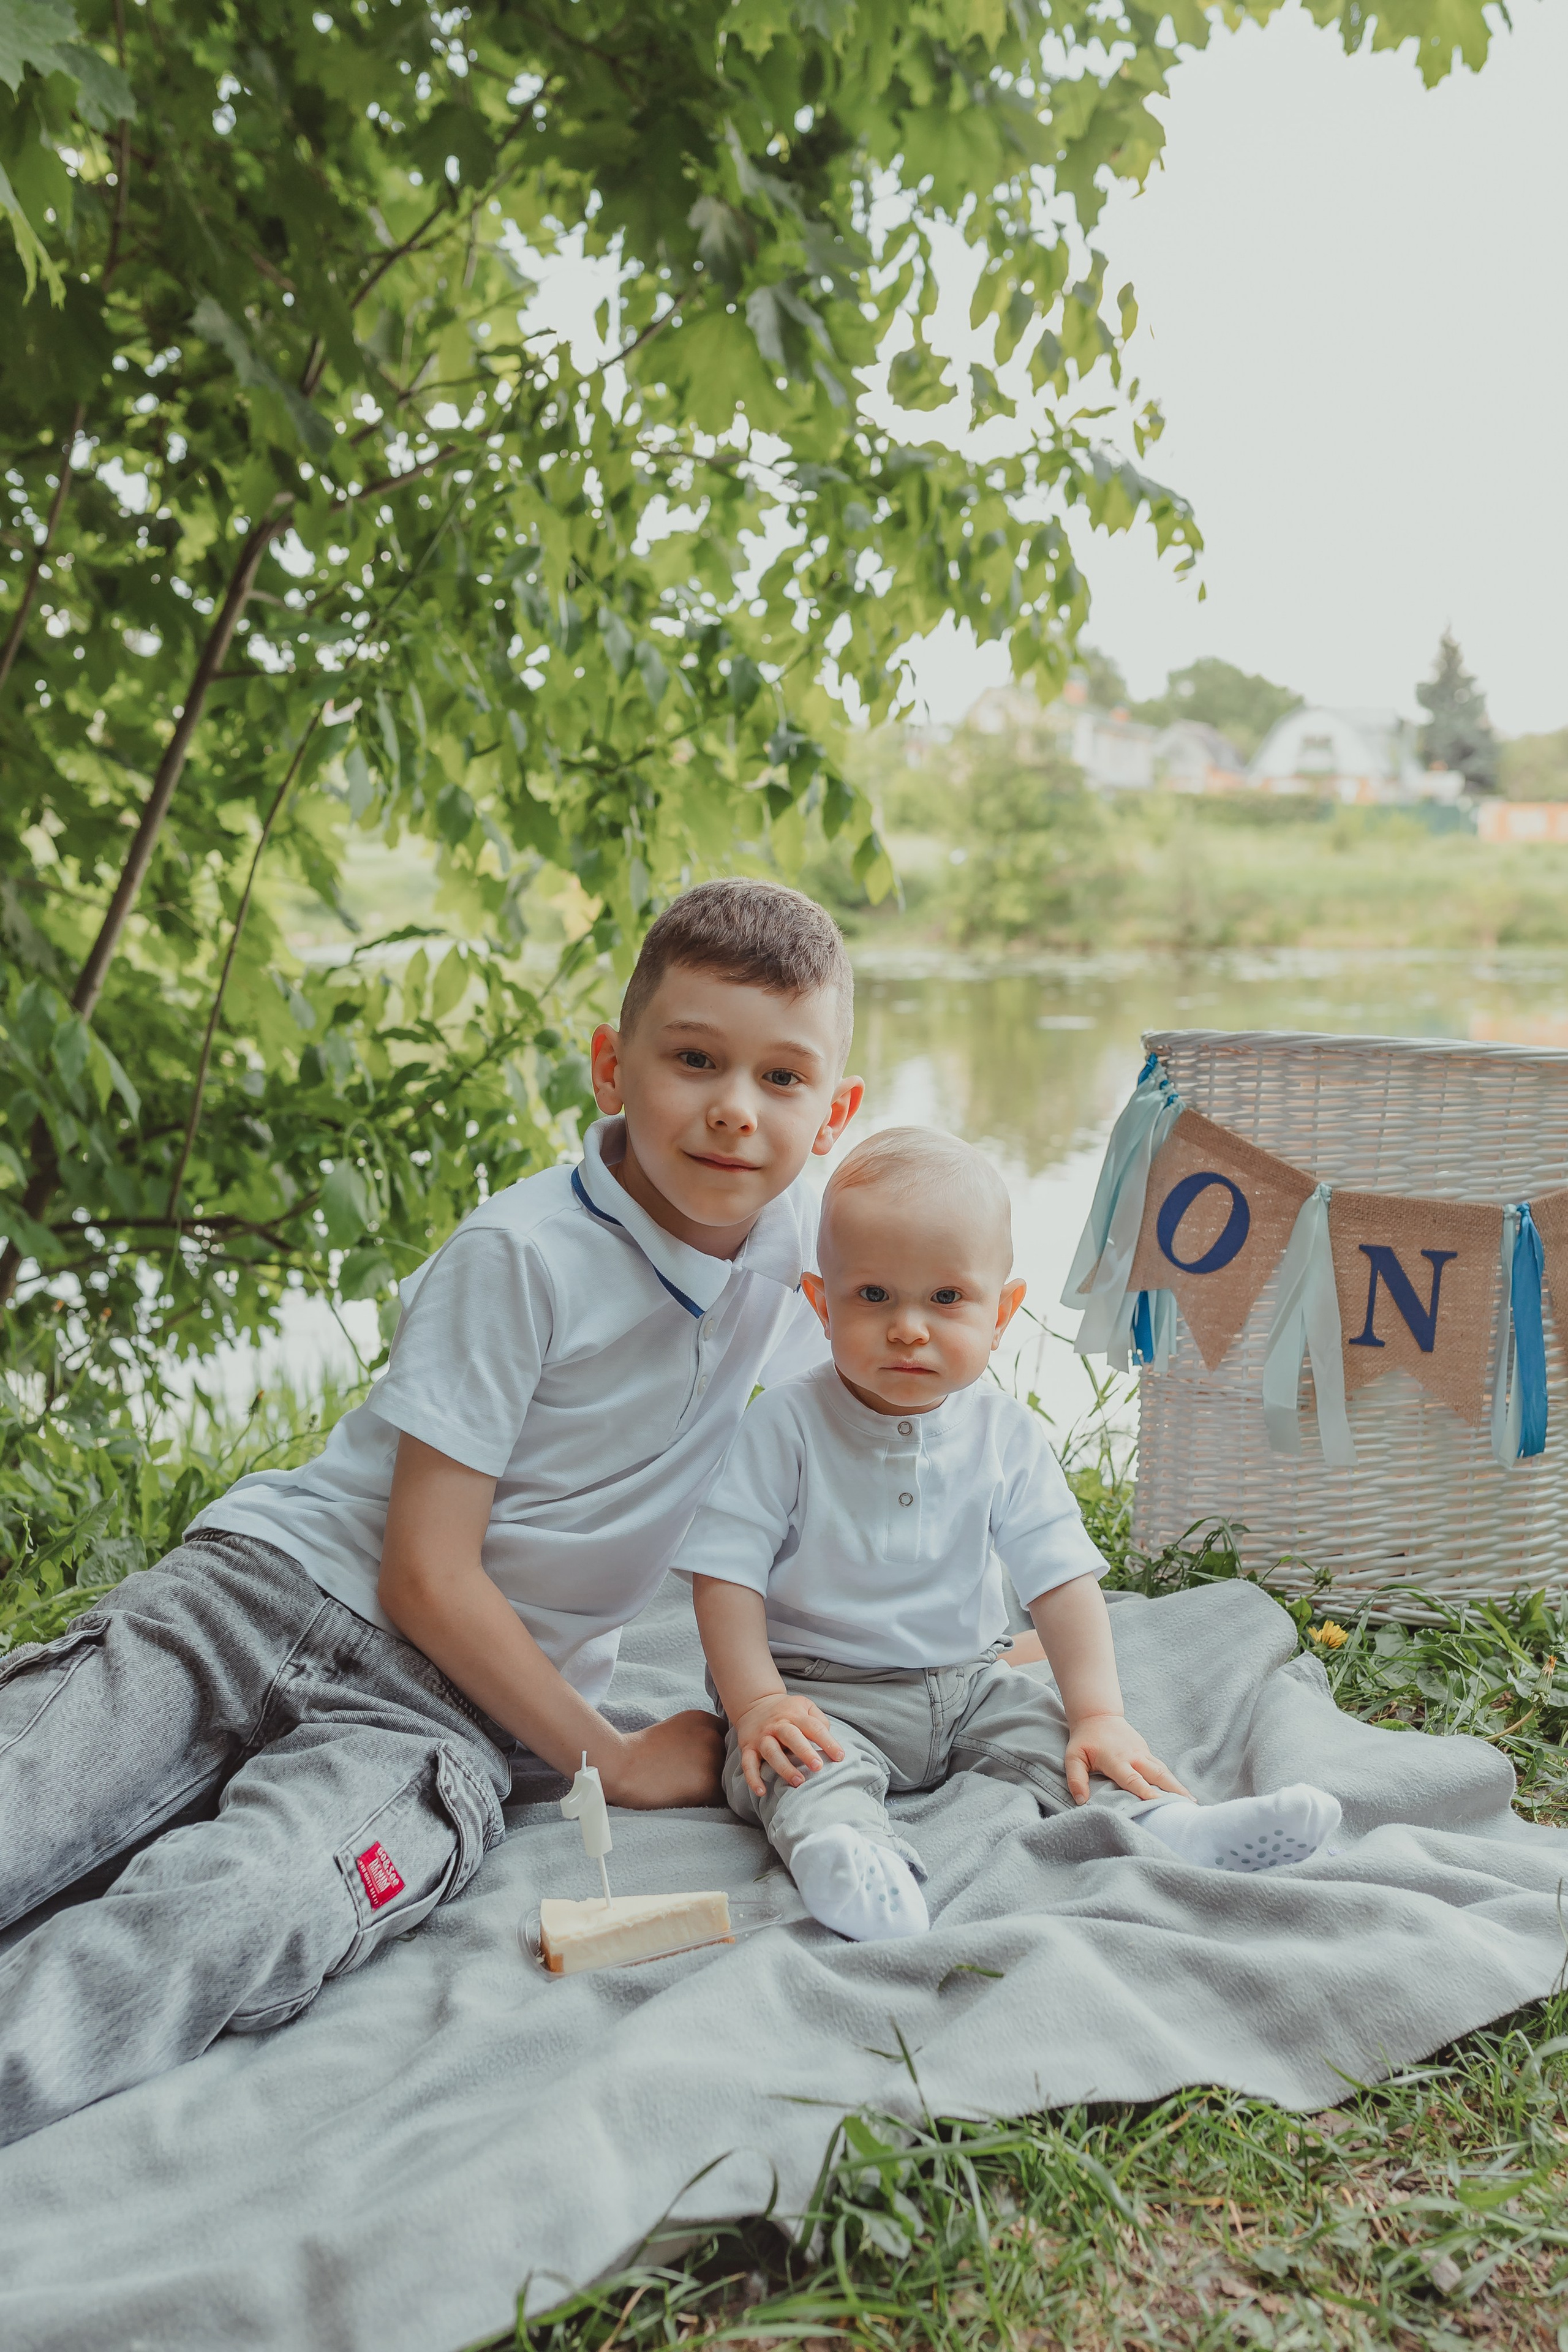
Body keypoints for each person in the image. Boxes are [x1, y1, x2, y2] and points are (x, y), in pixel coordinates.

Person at [0, 880, 862, 2141]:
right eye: (694, 1059)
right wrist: (609, 1756)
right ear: (612, 1069)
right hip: (258, 1597)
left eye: (783, 1080)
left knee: (238, 1907)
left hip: (439, 1721)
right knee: (32, 1781)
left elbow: (889, 1398)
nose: (735, 1108)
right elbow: (423, 1575)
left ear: (832, 1112)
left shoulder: (803, 1267)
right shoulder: (521, 1255)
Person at [683, 1128, 1342, 1943]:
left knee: (1058, 1741)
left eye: (947, 1299)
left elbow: (1060, 1580)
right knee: (801, 1769)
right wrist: (756, 1703)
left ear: (1001, 1314)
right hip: (819, 1689)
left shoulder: (1005, 1433)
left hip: (966, 1685)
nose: (909, 1329)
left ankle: (1172, 1823)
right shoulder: (785, 1423)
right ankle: (845, 1856)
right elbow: (724, 1576)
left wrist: (1098, 1711)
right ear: (823, 1305)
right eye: (874, 1297)